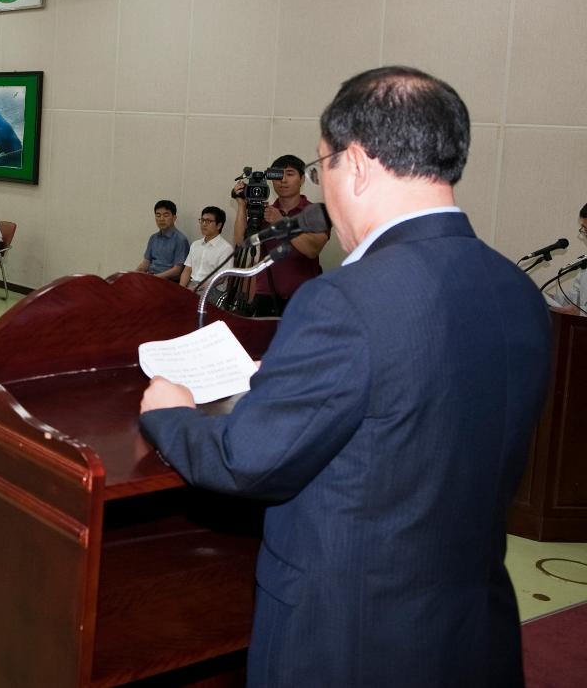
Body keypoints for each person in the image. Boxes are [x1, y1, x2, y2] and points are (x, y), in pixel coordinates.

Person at [138, 66, 551, 687]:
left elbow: (245, 461)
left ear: (354, 163)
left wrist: (168, 409)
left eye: (320, 163)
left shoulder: (345, 301)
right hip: (470, 628)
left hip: (349, 640)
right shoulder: (514, 289)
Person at [231, 154, 329, 316]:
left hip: (302, 296)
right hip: (265, 296)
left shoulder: (314, 212)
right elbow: (241, 242)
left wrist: (281, 222)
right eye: (278, 175)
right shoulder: (265, 211)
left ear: (302, 179)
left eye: (290, 174)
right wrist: (242, 206)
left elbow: (313, 249)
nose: (283, 180)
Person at [545, 203, 587, 313]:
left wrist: (579, 312)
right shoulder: (585, 265)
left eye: (586, 230)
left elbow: (578, 310)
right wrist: (549, 299)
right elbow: (574, 301)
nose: (584, 235)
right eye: (584, 230)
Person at [179, 206, 234, 290]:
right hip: (192, 286)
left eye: (208, 221)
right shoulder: (195, 244)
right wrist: (180, 289)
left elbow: (221, 278)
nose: (204, 224)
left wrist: (197, 288)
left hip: (212, 289)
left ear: (219, 225)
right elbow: (187, 269)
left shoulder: (226, 248)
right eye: (202, 220)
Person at [135, 200, 189, 281]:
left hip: (168, 282)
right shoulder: (153, 238)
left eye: (166, 215)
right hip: (151, 278)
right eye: (158, 215)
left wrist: (155, 278)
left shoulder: (181, 240)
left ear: (174, 218)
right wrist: (134, 274)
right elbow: (146, 262)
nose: (161, 219)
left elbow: (177, 270)